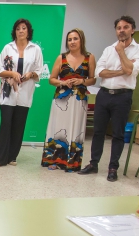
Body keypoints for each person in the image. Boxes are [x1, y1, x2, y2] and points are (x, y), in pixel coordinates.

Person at [78, 15, 139, 182]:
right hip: (104, 94)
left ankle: (113, 168)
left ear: (133, 29)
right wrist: (122, 70)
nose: (122, 30)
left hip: (122, 97)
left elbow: (132, 70)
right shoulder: (109, 49)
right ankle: (93, 163)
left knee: (117, 134)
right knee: (98, 132)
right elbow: (99, 73)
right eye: (119, 28)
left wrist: (122, 53)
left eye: (125, 27)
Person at [0, 18, 44, 169]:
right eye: (18, 28)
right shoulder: (8, 48)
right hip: (7, 92)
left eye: (24, 28)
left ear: (28, 31)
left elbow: (40, 71)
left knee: (18, 125)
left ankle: (12, 156)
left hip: (25, 92)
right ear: (14, 32)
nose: (21, 31)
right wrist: (12, 73)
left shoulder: (35, 49)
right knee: (6, 123)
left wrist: (30, 74)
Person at [42, 28, 96, 172]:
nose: (72, 42)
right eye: (69, 39)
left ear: (81, 40)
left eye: (75, 39)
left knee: (76, 128)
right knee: (58, 129)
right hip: (61, 100)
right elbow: (51, 79)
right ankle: (54, 160)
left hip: (80, 100)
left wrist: (82, 81)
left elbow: (92, 79)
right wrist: (63, 83)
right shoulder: (61, 57)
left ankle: (72, 162)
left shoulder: (89, 57)